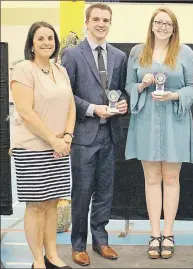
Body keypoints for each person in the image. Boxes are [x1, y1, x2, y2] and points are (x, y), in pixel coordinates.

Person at [125, 6, 193, 259]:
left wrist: (174, 95)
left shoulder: (185, 53)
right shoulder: (137, 52)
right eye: (159, 22)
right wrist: (141, 85)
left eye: (168, 24)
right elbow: (127, 85)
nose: (163, 27)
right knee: (151, 179)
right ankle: (154, 233)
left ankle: (168, 233)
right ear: (152, 25)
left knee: (171, 178)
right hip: (146, 119)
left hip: (175, 118)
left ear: (174, 28)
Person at [61, 3, 128, 266]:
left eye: (106, 20)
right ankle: (78, 244)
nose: (102, 24)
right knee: (82, 192)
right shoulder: (72, 54)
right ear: (86, 22)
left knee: (104, 192)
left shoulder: (119, 57)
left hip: (110, 135)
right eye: (97, 19)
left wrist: (121, 103)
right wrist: (91, 109)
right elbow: (66, 94)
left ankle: (100, 240)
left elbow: (120, 91)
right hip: (84, 135)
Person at [10, 21, 75, 269]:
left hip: (59, 148)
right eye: (41, 38)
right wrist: (54, 140)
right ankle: (37, 261)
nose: (47, 42)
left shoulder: (61, 70)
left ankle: (52, 256)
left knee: (52, 203)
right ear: (32, 44)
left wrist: (67, 136)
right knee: (36, 205)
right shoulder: (23, 70)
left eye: (50, 38)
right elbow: (26, 112)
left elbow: (70, 106)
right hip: (32, 149)